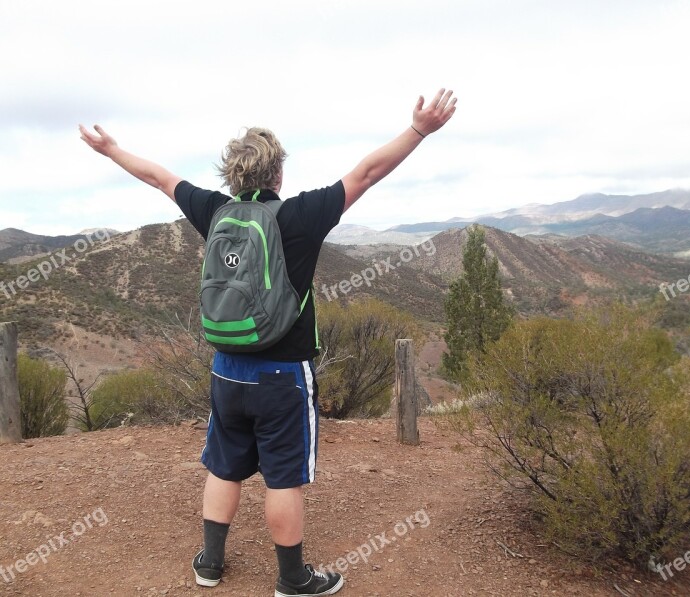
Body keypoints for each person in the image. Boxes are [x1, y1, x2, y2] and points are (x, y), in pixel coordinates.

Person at [79, 88, 457, 596]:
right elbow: (367, 173)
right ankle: (291, 580)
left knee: (225, 464)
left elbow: (159, 176)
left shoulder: (214, 211)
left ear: (231, 175)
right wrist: (418, 130)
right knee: (283, 478)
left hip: (225, 369)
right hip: (282, 375)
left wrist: (110, 150)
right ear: (278, 173)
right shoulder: (301, 216)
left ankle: (209, 565)